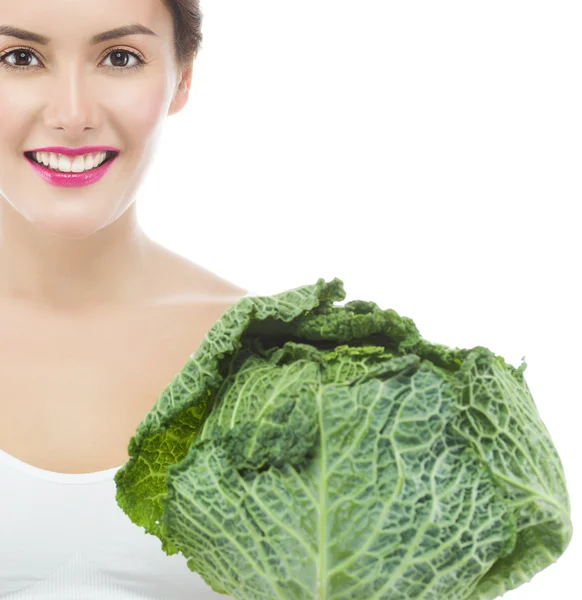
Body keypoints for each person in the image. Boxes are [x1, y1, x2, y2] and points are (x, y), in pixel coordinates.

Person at [0, 1, 250, 597]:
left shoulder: (275, 356)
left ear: (182, 76)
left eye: (119, 57)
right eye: (18, 57)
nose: (72, 115)